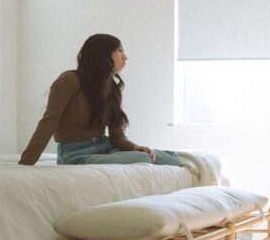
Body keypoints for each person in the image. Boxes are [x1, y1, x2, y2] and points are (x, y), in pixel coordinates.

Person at [18, 33, 181, 166]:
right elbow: (48, 123)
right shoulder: (69, 80)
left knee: (170, 158)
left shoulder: (113, 88)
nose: (126, 57)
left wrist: (134, 147)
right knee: (145, 159)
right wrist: (26, 164)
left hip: (105, 147)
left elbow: (117, 136)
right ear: (102, 54)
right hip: (76, 154)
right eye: (120, 50)